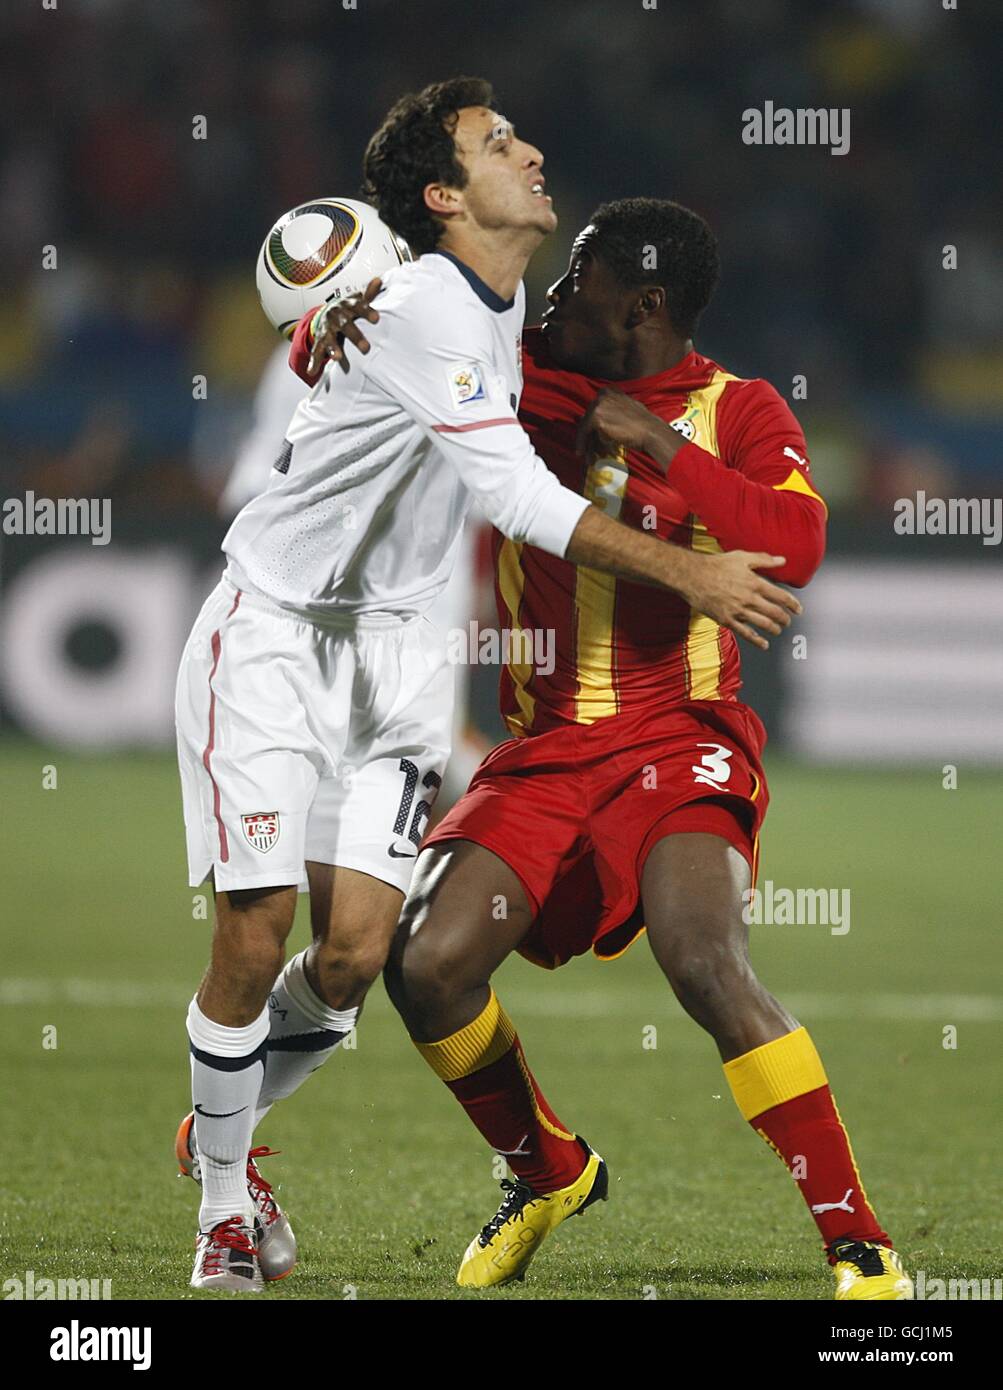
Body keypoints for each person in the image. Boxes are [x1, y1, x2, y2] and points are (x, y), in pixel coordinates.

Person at [175, 78, 797, 1292]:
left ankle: (223, 1126)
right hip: (274, 637)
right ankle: (221, 1204)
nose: (532, 150)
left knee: (357, 956)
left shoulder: (501, 314)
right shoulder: (418, 310)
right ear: (443, 196)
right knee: (254, 941)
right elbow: (516, 499)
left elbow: (384, 337)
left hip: (400, 653)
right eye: (496, 144)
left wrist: (316, 323)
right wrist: (697, 573)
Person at [296, 196, 912, 1300]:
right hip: (543, 751)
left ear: (644, 305)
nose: (553, 289)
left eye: (578, 275)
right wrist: (322, 325)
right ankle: (547, 1170)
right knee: (425, 968)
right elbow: (361, 355)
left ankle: (856, 1242)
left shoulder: (742, 408)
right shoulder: (521, 375)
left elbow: (798, 542)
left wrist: (658, 443)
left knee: (705, 958)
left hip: (682, 737)